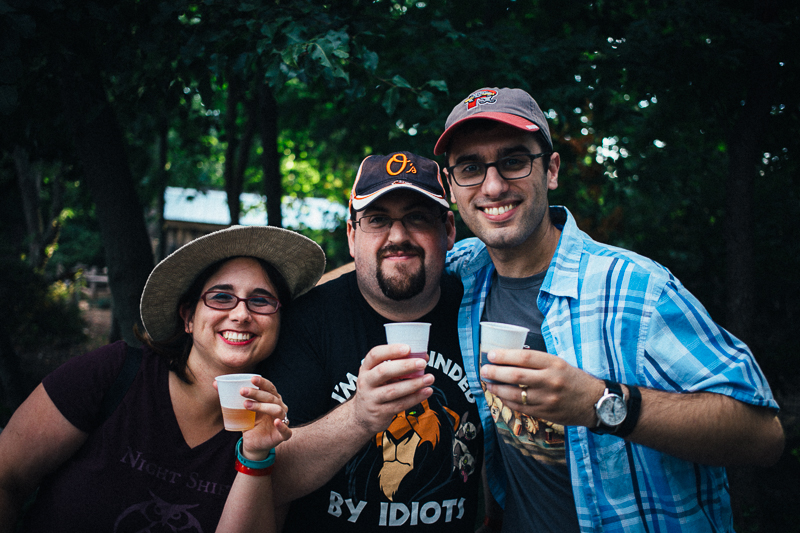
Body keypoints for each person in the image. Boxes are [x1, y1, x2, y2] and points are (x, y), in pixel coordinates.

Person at [434, 87, 785, 532]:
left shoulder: (638, 289)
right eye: (469, 168)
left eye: (513, 161)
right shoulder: (468, 274)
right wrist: (315, 279)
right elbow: (387, 262)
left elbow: (764, 437)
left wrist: (601, 403)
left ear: (551, 169)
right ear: (449, 187)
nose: (493, 185)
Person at [219, 151, 484, 532]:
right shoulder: (307, 321)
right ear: (351, 234)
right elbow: (270, 478)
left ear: (449, 230)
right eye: (378, 220)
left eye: (417, 217)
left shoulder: (477, 310)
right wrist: (359, 415)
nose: (398, 236)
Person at [0, 225, 325, 532]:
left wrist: (256, 456)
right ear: (187, 317)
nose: (241, 314)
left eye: (260, 300)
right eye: (221, 297)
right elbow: (6, 477)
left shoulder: (273, 425)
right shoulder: (113, 372)